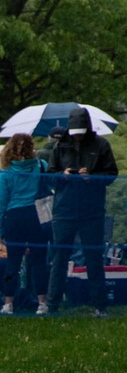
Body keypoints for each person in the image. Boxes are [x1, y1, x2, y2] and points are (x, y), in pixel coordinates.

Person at [46, 106, 119, 318]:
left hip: (92, 211)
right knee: (59, 257)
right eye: (74, 133)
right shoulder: (60, 147)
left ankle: (100, 305)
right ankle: (53, 305)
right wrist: (63, 175)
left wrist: (92, 177)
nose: (77, 137)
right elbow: (49, 176)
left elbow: (111, 174)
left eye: (81, 132)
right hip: (64, 210)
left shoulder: (101, 145)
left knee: (94, 258)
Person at [0, 134, 51, 316]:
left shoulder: (5, 172)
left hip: (14, 216)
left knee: (13, 263)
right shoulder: (41, 166)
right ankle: (42, 303)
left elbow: (2, 202)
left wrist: (1, 229)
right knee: (39, 261)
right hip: (38, 215)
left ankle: (8, 304)